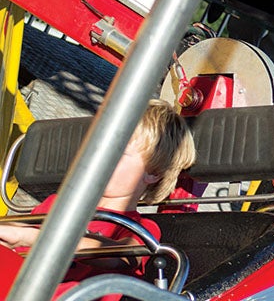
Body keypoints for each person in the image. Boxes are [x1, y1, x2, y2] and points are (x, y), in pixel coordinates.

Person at [0, 100, 197, 298]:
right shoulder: (57, 204)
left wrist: (29, 237)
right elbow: (17, 236)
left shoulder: (139, 228)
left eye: (118, 152)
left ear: (154, 172)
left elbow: (121, 256)